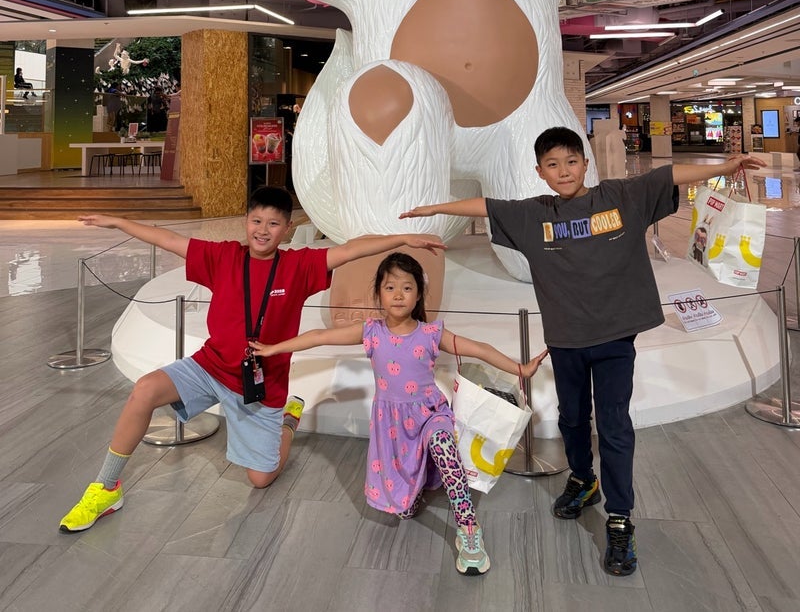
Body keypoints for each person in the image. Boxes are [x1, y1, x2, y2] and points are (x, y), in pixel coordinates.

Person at [400, 127, 767, 577]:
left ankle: (620, 519)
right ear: (540, 172)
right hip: (566, 340)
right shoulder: (534, 215)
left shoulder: (620, 197)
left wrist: (725, 166)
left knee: (613, 426)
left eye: (571, 162)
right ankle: (582, 479)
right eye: (552, 165)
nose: (564, 171)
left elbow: (667, 175)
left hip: (615, 339)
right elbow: (487, 207)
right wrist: (435, 209)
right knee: (572, 418)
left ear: (586, 164)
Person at [58, 186, 444, 534]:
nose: (263, 230)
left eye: (273, 223)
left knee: (260, 478)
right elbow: (168, 239)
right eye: (256, 220)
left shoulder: (298, 266)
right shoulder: (223, 256)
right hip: (210, 367)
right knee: (144, 390)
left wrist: (402, 238)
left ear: (287, 229)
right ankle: (106, 488)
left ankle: (288, 422)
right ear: (246, 221)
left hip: (262, 386)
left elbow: (351, 249)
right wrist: (118, 222)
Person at [250, 251, 548, 576]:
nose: (398, 295)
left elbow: (478, 348)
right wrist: (274, 348)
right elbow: (319, 337)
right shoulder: (371, 332)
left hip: (431, 414)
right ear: (378, 292)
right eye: (390, 287)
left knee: (444, 448)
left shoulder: (431, 334)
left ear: (419, 294)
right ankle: (417, 488)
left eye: (407, 287)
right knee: (404, 508)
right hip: (392, 426)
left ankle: (469, 530)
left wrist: (520, 369)